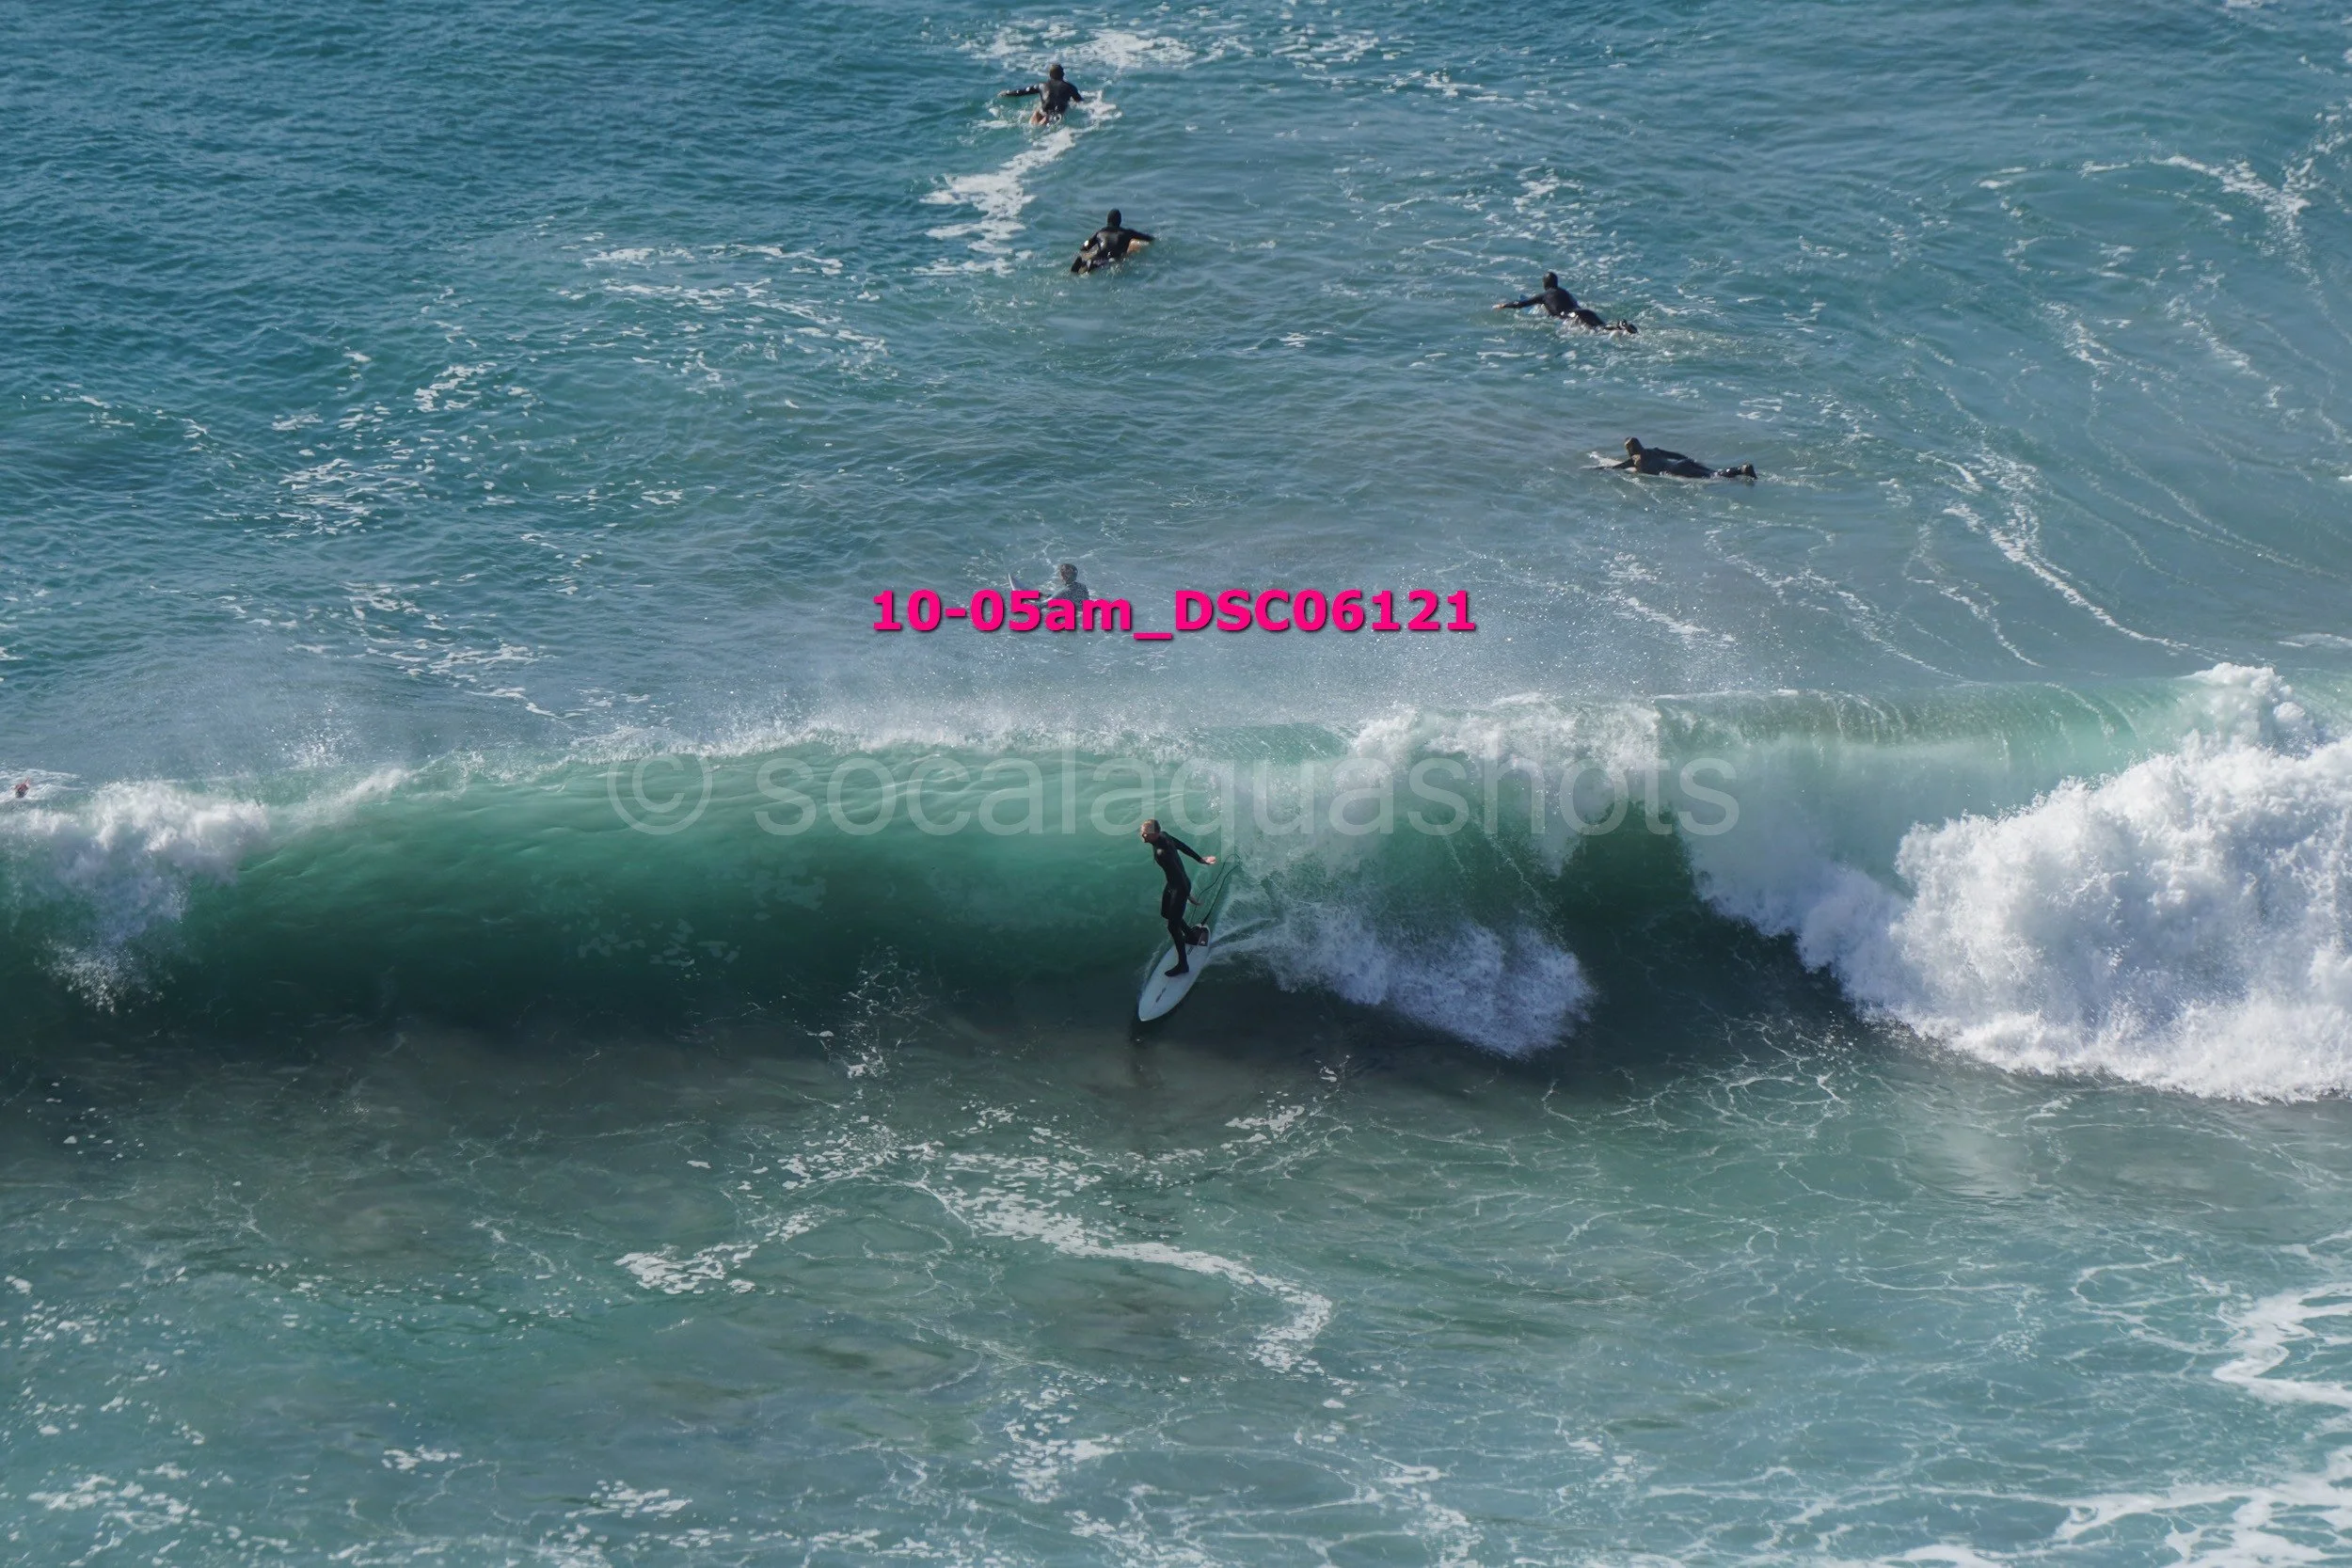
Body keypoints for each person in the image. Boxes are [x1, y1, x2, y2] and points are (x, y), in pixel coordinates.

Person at [1139, 818, 1216, 977]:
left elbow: (1178, 874)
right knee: (1166, 913)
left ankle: (1183, 965)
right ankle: (1191, 936)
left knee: (1172, 927)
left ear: (1154, 834)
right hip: (1174, 884)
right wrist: (1200, 859)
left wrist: (1188, 895)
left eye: (1145, 833)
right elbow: (1181, 846)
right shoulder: (1164, 836)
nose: (1142, 835)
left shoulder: (1161, 853)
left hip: (1179, 887)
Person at [1493, 272, 1635, 333]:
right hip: (1584, 312)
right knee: (1603, 327)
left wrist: (1504, 305)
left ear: (1544, 284)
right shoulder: (1565, 292)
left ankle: (1620, 328)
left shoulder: (1543, 295)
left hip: (1573, 317)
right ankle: (1622, 326)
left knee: (1598, 332)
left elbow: (1521, 304)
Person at [1607, 437, 1756, 480]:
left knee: (1713, 476)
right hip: (1681, 463)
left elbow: (1616, 468)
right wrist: (1690, 460)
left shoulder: (1634, 460)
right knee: (1714, 473)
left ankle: (1742, 470)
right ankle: (1740, 470)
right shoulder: (1654, 450)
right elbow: (1675, 455)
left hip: (1675, 469)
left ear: (1630, 450)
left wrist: (1594, 469)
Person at [1071, 210, 1153, 274]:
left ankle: (1083, 264)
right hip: (1112, 258)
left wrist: (1086, 247)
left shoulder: (1100, 232)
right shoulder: (1128, 233)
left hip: (1099, 255)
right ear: (1120, 221)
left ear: (1108, 220)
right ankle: (1093, 265)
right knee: (1109, 261)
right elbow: (1148, 238)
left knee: (1092, 259)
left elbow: (1084, 247)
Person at [1001, 63, 1086, 124]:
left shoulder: (1041, 86)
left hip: (1046, 107)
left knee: (1038, 112)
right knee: (1055, 116)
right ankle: (1046, 120)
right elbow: (1079, 101)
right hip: (1060, 109)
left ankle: (1038, 121)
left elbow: (1022, 92)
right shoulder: (1070, 87)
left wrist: (1007, 93)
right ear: (1062, 74)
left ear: (1050, 75)